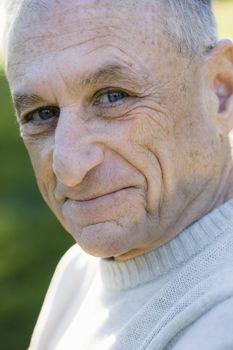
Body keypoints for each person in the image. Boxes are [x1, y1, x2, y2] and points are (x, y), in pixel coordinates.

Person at [2, 0, 233, 348]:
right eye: (41, 114)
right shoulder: (79, 271)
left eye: (113, 97)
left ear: (221, 90)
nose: (69, 167)